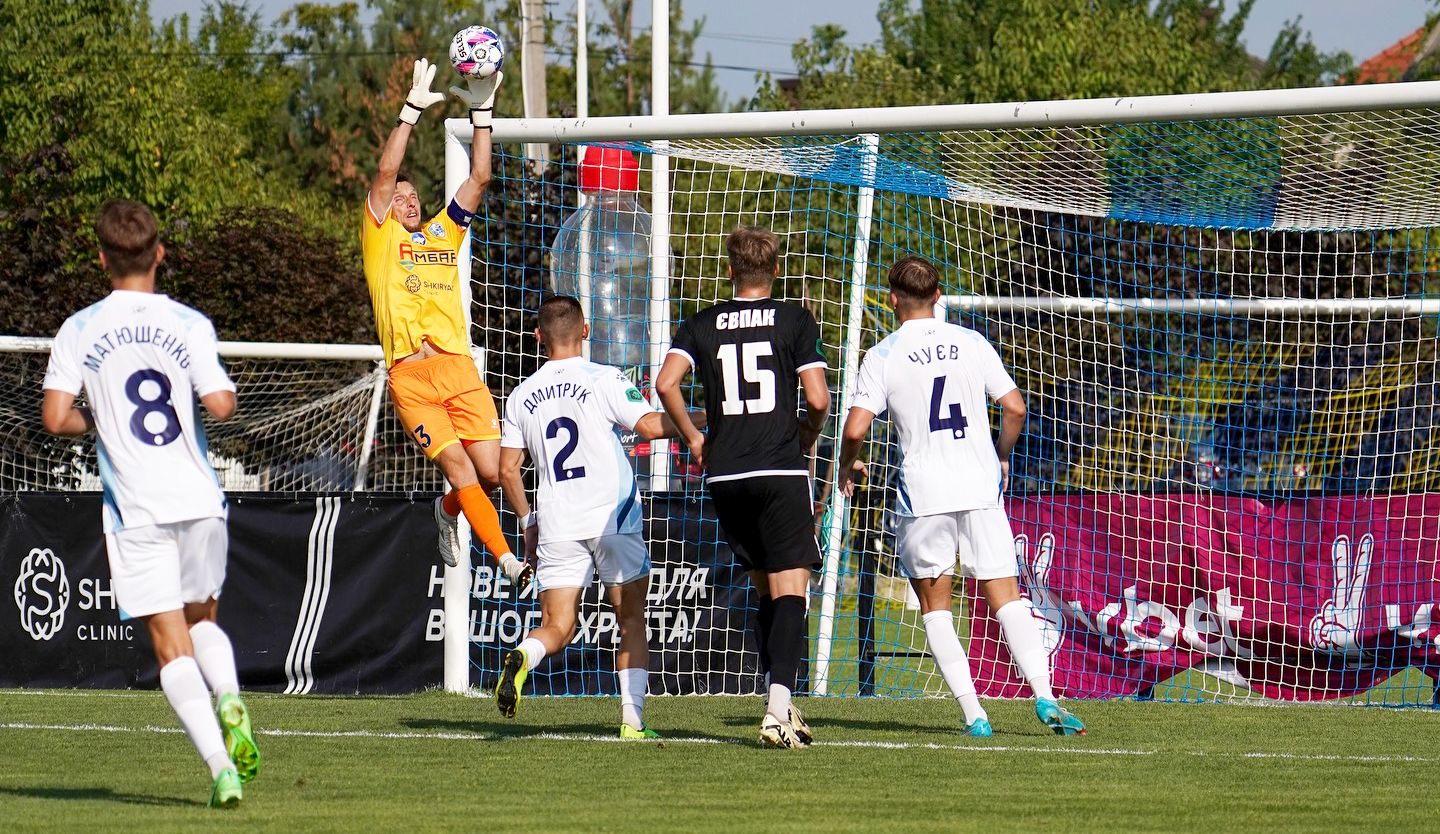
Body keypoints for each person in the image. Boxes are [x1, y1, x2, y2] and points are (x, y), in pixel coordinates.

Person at [41, 200, 261, 807]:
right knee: (203, 621)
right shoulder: (188, 323)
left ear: (102, 258)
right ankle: (229, 697)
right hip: (198, 499)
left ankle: (221, 769)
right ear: (159, 252)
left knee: (169, 646)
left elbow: (55, 417)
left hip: (136, 509)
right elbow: (220, 405)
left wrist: (99, 420)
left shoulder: (80, 329)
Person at [836, 256, 1085, 737]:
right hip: (979, 485)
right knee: (1007, 599)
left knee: (936, 608)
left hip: (924, 493)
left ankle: (975, 716)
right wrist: (1002, 455)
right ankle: (1046, 696)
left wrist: (847, 464)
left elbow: (854, 428)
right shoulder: (971, 341)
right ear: (937, 297)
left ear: (892, 300)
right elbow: (1015, 407)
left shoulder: (883, 354)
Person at [655, 225, 830, 749]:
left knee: (765, 591)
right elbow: (818, 399)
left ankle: (780, 700)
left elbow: (665, 383)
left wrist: (693, 438)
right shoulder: (794, 319)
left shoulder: (701, 323)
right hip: (778, 470)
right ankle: (776, 709)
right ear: (775, 269)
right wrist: (806, 436)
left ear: (730, 271)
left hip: (726, 475)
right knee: (792, 589)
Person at [494, 296, 699, 738]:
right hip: (612, 516)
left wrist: (528, 522)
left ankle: (524, 655)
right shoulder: (604, 377)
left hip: (557, 521)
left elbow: (507, 469)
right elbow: (650, 426)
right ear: (585, 331)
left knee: (558, 626)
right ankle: (632, 722)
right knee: (630, 620)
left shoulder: (521, 395)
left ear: (538, 337)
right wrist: (705, 420)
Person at [361, 57, 525, 582]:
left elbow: (481, 176)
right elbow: (386, 172)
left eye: (413, 195)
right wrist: (409, 111)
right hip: (411, 378)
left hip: (457, 367)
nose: (407, 200)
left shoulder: (442, 231)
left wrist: (483, 113)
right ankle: (508, 561)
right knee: (458, 466)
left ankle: (446, 509)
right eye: (399, 196)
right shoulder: (380, 238)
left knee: (492, 473)